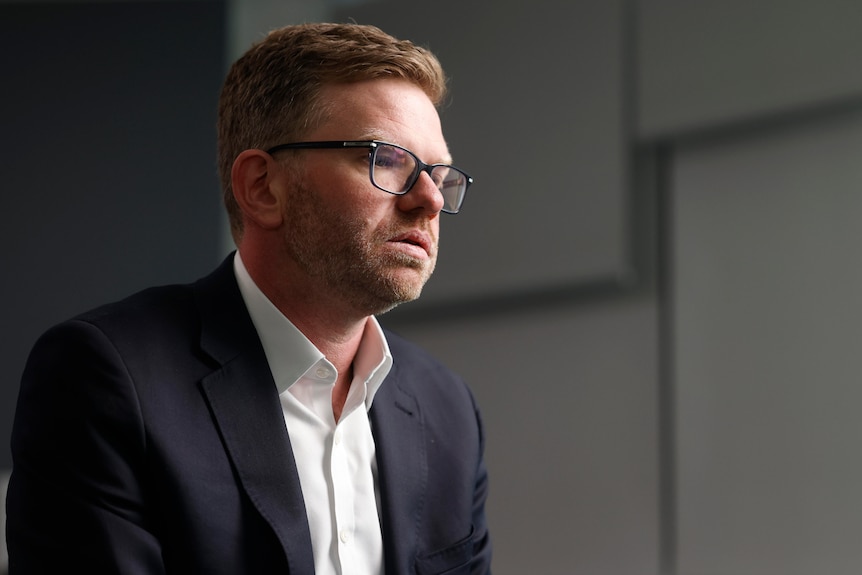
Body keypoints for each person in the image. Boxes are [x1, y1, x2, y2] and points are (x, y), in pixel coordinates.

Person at [7, 22, 492, 574]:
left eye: (438, 172)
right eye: (385, 159)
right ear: (262, 187)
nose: (429, 199)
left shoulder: (448, 411)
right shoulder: (105, 379)